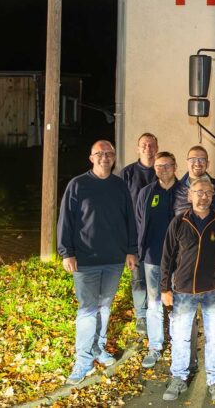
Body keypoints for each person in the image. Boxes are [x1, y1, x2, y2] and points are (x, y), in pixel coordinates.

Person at [57, 140, 138, 385]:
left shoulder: (120, 186)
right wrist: (66, 252)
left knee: (104, 307)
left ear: (114, 158)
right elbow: (66, 221)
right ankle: (82, 360)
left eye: (109, 153)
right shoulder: (78, 185)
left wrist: (131, 251)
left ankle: (98, 349)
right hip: (85, 260)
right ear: (91, 158)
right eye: (99, 153)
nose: (105, 157)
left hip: (113, 260)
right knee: (87, 310)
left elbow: (130, 220)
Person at [160, 177, 215, 403]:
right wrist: (164, 288)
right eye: (199, 192)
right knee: (181, 337)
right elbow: (167, 257)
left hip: (212, 289)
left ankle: (214, 380)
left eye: (208, 193)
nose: (203, 197)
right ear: (190, 195)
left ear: (213, 196)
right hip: (183, 291)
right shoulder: (179, 222)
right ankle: (179, 377)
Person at [134, 151, 191, 369]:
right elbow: (140, 222)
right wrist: (137, 251)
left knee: (179, 303)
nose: (162, 169)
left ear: (175, 166)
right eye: (158, 166)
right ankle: (155, 347)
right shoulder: (147, 193)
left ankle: (179, 346)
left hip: (180, 259)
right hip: (152, 257)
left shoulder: (185, 193)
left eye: (167, 165)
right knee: (154, 303)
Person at [118, 132, 159, 335]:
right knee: (138, 277)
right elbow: (120, 207)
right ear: (138, 148)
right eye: (143, 145)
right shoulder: (127, 174)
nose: (147, 148)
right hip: (135, 235)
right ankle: (141, 316)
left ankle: (156, 313)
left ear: (157, 148)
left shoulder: (162, 171)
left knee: (157, 278)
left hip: (157, 235)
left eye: (151, 145)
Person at [174, 145, 215, 217]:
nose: (197, 163)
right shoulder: (176, 189)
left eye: (202, 159)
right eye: (193, 159)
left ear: (207, 164)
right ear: (187, 162)